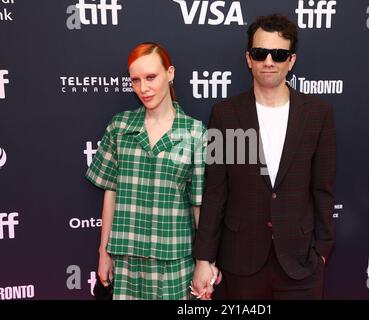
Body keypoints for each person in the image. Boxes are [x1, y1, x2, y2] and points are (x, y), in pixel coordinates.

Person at [192, 14, 336, 300]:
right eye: (260, 53)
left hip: (300, 263)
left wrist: (322, 251)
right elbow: (216, 192)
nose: (269, 61)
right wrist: (203, 259)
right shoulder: (226, 114)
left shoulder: (318, 114)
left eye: (279, 54)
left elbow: (323, 189)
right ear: (249, 59)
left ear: (291, 61)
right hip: (240, 262)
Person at [85, 42, 207, 300]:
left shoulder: (196, 133)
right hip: (126, 258)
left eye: (151, 77)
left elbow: (199, 204)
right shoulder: (119, 126)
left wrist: (205, 262)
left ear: (170, 73)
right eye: (136, 80)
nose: (144, 88)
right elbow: (111, 192)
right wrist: (103, 252)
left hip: (174, 260)